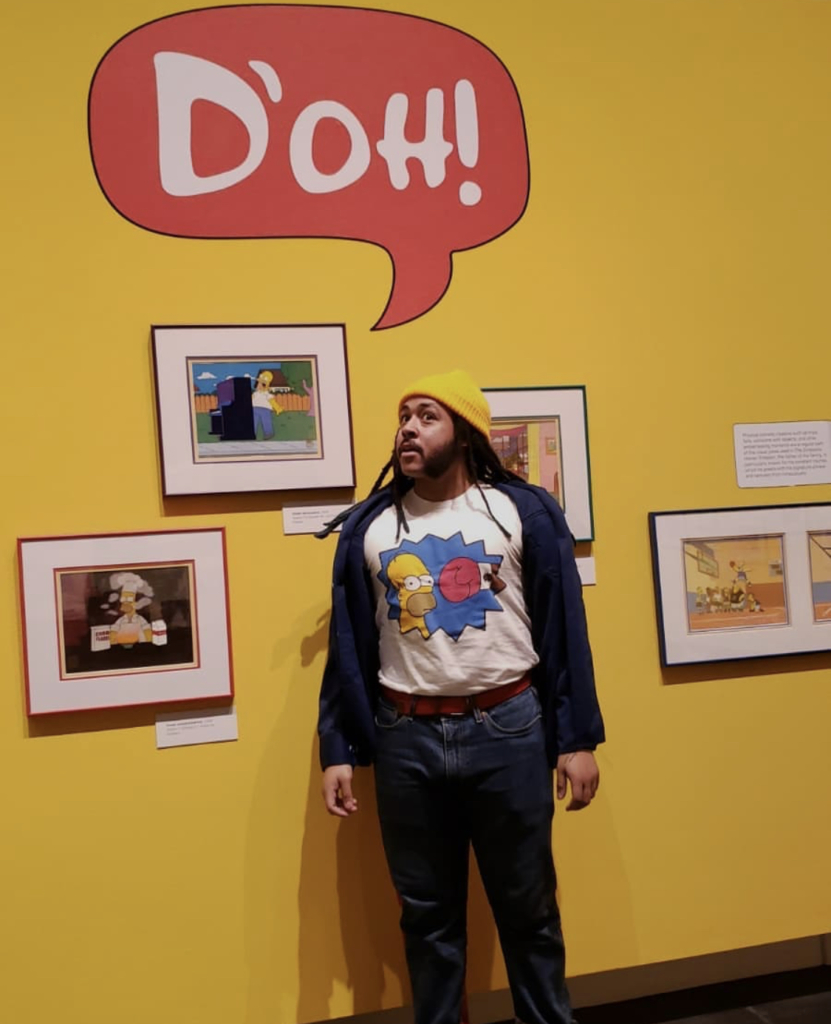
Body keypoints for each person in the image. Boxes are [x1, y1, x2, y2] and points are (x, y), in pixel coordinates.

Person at [317, 369, 605, 1024]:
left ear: (466, 434)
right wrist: (338, 747)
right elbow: (348, 648)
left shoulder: (521, 511)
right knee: (426, 920)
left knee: (529, 911)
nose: (408, 429)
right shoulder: (368, 526)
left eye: (427, 416)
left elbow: (564, 631)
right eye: (404, 417)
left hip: (508, 728)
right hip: (405, 739)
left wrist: (576, 738)